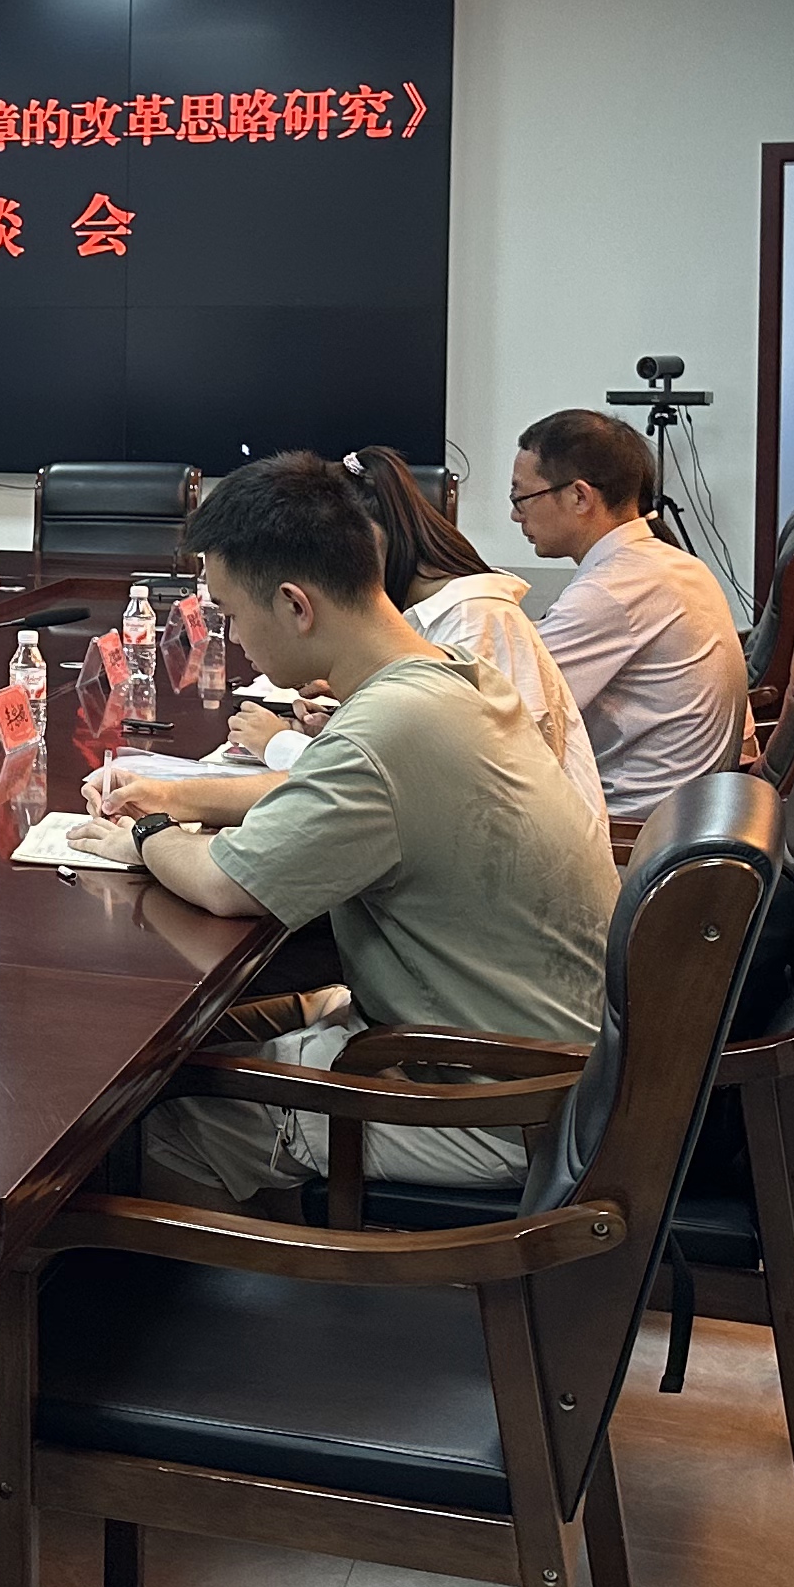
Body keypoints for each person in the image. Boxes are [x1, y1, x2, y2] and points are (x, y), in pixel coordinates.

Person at [64, 453, 615, 1210]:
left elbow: (225, 885)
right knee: (188, 1051)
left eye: (231, 613)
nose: (231, 635)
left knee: (154, 1126)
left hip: (499, 1100)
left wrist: (148, 831)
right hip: (536, 1053)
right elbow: (326, 794)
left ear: (296, 605)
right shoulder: (447, 673)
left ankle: (222, 1280)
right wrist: (178, 798)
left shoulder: (390, 725)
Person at [217, 452, 608, 827]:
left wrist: (280, 745)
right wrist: (340, 727)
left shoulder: (474, 620)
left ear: (372, 544)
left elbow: (462, 788)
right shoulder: (431, 614)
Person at [510, 408, 751, 816]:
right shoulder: (669, 563)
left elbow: (506, 699)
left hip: (633, 826)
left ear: (580, 496)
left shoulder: (614, 589)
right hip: (684, 812)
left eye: (521, 498)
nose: (516, 514)